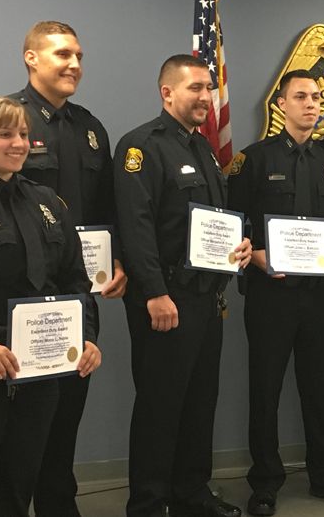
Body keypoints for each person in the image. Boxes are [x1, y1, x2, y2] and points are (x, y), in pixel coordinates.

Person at [0, 21, 124, 516]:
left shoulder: (56, 183)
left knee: (36, 457)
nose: (19, 143)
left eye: (22, 135)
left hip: (51, 342)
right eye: (6, 135)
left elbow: (80, 268)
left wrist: (85, 331)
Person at [113, 54, 252, 517]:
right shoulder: (142, 147)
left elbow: (214, 223)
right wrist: (154, 292)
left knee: (199, 402)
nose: (205, 96)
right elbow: (136, 227)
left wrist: (240, 245)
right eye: (194, 87)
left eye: (209, 87)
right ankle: (149, 504)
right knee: (159, 405)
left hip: (206, 298)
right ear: (167, 92)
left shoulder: (204, 150)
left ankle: (192, 493)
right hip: (166, 297)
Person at [226, 70, 324, 516]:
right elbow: (235, 222)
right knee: (264, 390)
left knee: (319, 389)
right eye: (300, 96)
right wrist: (257, 254)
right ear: (281, 104)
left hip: (318, 296)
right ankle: (264, 482)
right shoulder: (254, 159)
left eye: (317, 97)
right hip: (271, 295)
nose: (311, 104)